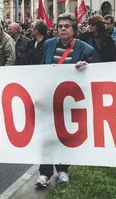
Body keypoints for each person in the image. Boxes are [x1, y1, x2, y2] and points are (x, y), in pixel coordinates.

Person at [36, 13, 96, 188]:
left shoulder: (85, 49)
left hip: (69, 99)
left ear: (74, 30)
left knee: (64, 134)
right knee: (47, 136)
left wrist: (84, 68)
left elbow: (92, 73)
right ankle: (44, 173)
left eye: (67, 26)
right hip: (49, 97)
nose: (62, 29)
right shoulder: (48, 45)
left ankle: (63, 169)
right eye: (60, 26)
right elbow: (41, 68)